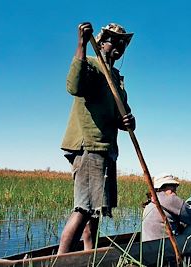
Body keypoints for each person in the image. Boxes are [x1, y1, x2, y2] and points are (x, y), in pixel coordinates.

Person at [58, 22, 136, 254]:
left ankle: (88, 254)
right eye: (113, 40)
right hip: (89, 145)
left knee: (95, 208)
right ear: (101, 43)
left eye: (122, 43)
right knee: (85, 207)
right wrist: (81, 44)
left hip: (106, 148)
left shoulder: (116, 78)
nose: (119, 46)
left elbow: (122, 113)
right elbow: (74, 85)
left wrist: (129, 122)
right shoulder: (91, 66)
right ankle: (62, 259)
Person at [141, 173, 191, 242]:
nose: (175, 190)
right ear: (164, 187)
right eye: (173, 187)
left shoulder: (150, 202)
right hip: (167, 247)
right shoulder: (170, 199)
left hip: (147, 246)